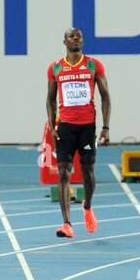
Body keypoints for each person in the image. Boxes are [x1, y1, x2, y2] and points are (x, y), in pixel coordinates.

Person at [45, 28, 111, 239]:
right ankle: (66, 224)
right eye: (72, 37)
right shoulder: (55, 68)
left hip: (87, 127)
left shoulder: (93, 65)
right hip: (65, 126)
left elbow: (106, 97)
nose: (76, 40)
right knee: (63, 172)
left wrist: (106, 127)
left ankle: (88, 206)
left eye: (79, 37)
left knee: (88, 173)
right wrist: (51, 124)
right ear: (64, 41)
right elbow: (50, 99)